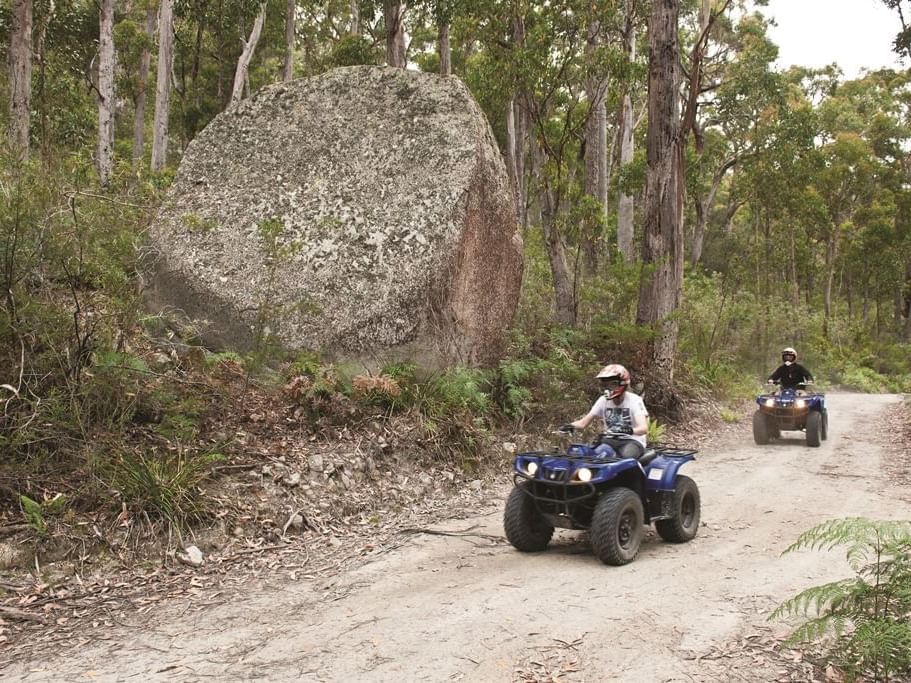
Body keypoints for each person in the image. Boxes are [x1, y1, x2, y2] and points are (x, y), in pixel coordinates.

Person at [560, 364, 649, 460]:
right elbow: (583, 423)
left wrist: (629, 430)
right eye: (606, 385)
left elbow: (643, 428)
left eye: (612, 384)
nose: (608, 388)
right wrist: (570, 426)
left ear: (622, 383)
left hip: (632, 441)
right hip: (610, 440)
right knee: (595, 457)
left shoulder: (634, 400)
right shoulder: (603, 400)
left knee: (625, 460)